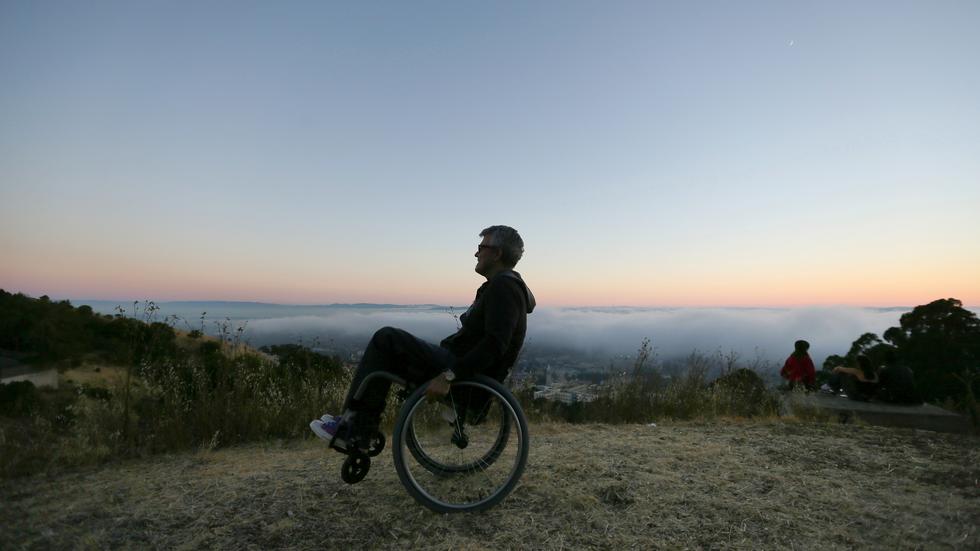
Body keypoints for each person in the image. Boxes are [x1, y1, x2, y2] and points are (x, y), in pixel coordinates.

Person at [310, 225, 536, 450]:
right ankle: (359, 427)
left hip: (463, 374)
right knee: (388, 354)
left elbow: (495, 345)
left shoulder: (504, 287)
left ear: (497, 253)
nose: (476, 253)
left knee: (386, 339)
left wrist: (448, 376)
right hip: (463, 367)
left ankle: (355, 430)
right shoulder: (500, 286)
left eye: (481, 247)